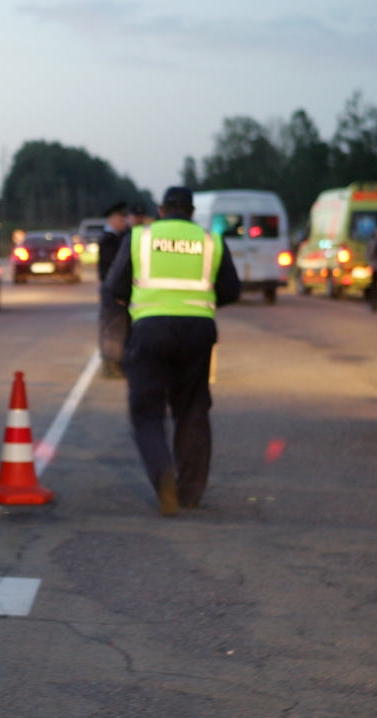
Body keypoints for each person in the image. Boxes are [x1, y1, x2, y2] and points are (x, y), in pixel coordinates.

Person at [105, 186, 240, 516]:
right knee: (193, 409)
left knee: (147, 411)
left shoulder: (139, 237)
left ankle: (163, 473)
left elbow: (115, 287)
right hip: (198, 330)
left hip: (150, 329)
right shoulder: (211, 241)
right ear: (192, 212)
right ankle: (191, 491)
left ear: (162, 210)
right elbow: (231, 290)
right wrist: (202, 304)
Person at [97, 201, 131, 378]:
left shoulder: (118, 237)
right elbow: (111, 269)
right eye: (120, 219)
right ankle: (111, 365)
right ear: (111, 220)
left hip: (115, 288)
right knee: (113, 328)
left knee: (118, 327)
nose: (123, 222)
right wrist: (118, 290)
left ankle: (115, 363)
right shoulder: (109, 240)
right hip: (112, 290)